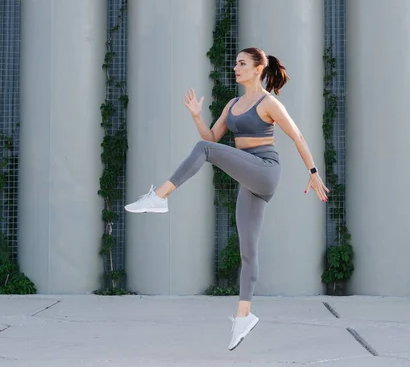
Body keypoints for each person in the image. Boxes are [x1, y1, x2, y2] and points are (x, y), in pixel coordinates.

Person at [124, 47, 330, 351]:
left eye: (243, 63)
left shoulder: (268, 102)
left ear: (258, 69)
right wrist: (196, 116)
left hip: (265, 170)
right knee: (248, 252)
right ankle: (244, 317)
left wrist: (313, 172)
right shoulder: (232, 105)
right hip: (249, 178)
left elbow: (297, 136)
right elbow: (210, 142)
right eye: (235, 63)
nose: (236, 67)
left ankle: (159, 196)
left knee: (204, 152)